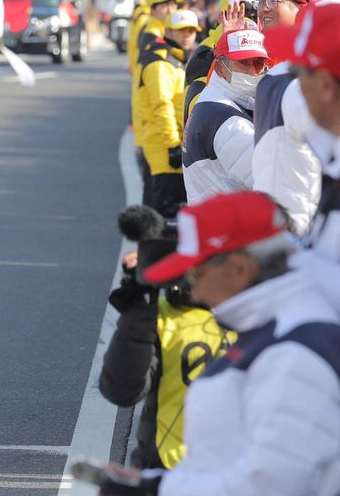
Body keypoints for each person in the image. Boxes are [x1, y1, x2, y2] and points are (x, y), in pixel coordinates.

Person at [99, 191, 340, 496]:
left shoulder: (293, 351)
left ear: (239, 268)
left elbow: (275, 484)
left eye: (196, 273)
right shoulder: (273, 327)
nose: (194, 292)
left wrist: (160, 490)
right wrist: (154, 483)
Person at [99, 205, 234, 470]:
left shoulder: (259, 315)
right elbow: (122, 391)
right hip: (168, 469)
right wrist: (140, 309)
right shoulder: (160, 318)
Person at [252, 0, 340, 236]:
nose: (265, 10)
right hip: (301, 224)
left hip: (289, 221)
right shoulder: (296, 85)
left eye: (273, 1)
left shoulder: (277, 76)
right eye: (261, 2)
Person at [182, 28, 270, 204]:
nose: (253, 71)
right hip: (232, 226)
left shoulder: (214, 100)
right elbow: (272, 181)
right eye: (244, 62)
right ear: (220, 68)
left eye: (259, 63)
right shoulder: (229, 122)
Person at [135, 10, 199, 218]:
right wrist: (172, 145)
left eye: (191, 30)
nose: (186, 35)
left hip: (171, 144)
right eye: (181, 31)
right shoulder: (160, 62)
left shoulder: (177, 57)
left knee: (166, 214)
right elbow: (162, 106)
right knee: (161, 215)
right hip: (162, 147)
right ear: (168, 31)